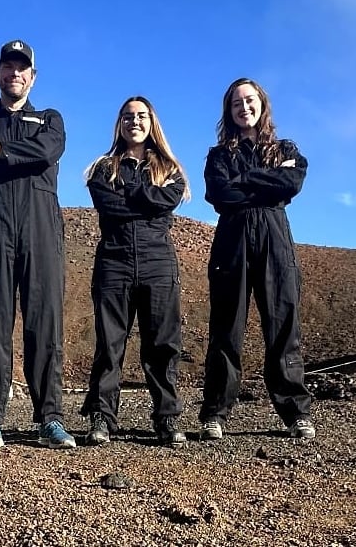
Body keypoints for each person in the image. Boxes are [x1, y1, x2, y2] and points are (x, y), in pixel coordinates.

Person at [0, 39, 75, 450]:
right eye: (8, 67)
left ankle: (51, 418)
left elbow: (46, 152)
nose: (15, 74)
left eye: (22, 68)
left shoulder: (49, 119)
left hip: (40, 227)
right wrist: (5, 155)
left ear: (32, 76)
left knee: (44, 321)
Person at [198, 77, 315, 440]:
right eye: (236, 103)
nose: (244, 107)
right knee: (226, 328)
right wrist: (268, 182)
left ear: (262, 105)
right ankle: (216, 412)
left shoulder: (284, 148)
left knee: (283, 325)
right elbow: (220, 194)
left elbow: (291, 184)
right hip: (232, 238)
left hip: (274, 238)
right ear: (228, 111)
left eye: (249, 101)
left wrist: (247, 180)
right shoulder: (219, 156)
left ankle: (295, 412)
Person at [80, 97, 190, 448]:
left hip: (158, 263)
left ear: (152, 122)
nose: (135, 121)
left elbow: (166, 201)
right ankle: (101, 417)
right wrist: (147, 199)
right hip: (114, 263)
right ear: (119, 123)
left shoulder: (170, 168)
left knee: (161, 344)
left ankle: (167, 418)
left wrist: (132, 192)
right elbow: (108, 205)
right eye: (128, 116)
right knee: (110, 344)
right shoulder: (102, 167)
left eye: (141, 116)